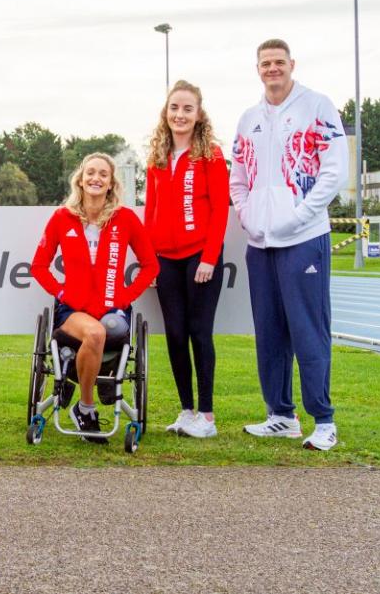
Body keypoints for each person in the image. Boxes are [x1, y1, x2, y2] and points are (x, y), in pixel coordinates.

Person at [231, 39, 348, 451]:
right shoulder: (249, 118)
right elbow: (239, 177)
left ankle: (324, 421)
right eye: (265, 63)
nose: (272, 69)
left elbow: (334, 172)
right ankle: (280, 415)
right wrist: (247, 216)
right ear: (257, 68)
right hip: (261, 244)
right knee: (269, 332)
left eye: (279, 62)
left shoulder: (317, 106)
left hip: (304, 238)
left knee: (308, 330)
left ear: (291, 65)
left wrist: (298, 216)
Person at [32, 153, 159, 443]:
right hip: (73, 310)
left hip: (111, 308)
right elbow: (39, 266)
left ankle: (85, 385)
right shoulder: (62, 218)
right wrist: (61, 292)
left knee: (109, 329)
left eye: (103, 174)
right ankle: (85, 408)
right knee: (96, 332)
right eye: (91, 173)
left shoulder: (125, 218)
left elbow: (151, 265)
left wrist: (125, 296)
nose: (96, 179)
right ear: (80, 178)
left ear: (111, 183)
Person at [144, 81, 230, 439]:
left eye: (187, 109)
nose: (180, 115)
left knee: (199, 333)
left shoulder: (210, 153)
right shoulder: (157, 157)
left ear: (199, 114)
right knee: (175, 335)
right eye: (174, 108)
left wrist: (209, 257)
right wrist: (150, 260)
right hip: (165, 259)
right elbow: (150, 210)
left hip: (200, 257)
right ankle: (186, 411)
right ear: (166, 112)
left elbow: (220, 211)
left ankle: (206, 417)